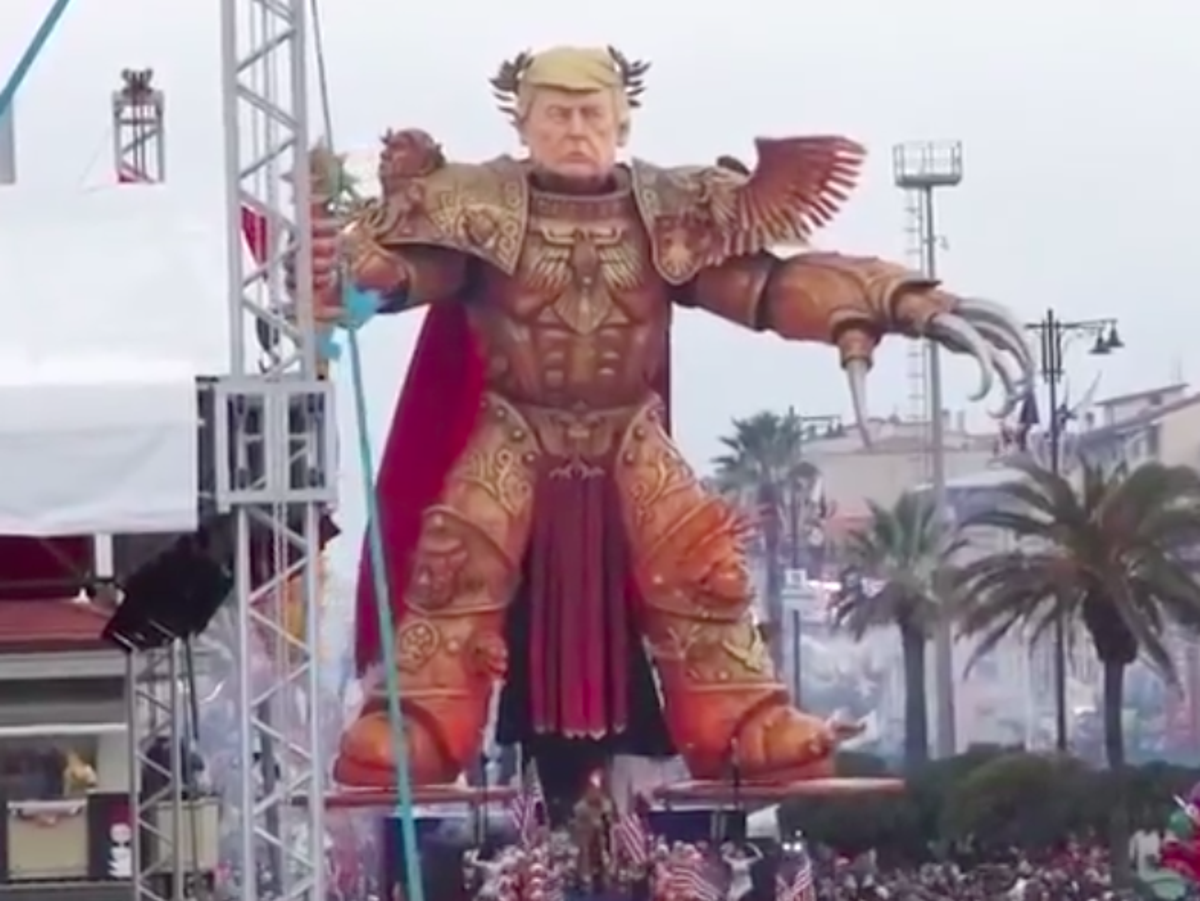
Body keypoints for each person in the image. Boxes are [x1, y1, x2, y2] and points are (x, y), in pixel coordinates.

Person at [307, 45, 1032, 796]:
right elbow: (411, 271)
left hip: (631, 434)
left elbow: (765, 286)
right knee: (459, 563)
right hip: (513, 431)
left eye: (591, 113)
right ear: (522, 122)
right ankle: (423, 720)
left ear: (622, 121)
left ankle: (745, 720)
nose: (576, 129)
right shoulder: (475, 206)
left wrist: (896, 297)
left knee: (699, 569)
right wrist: (352, 269)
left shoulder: (674, 210)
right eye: (556, 114)